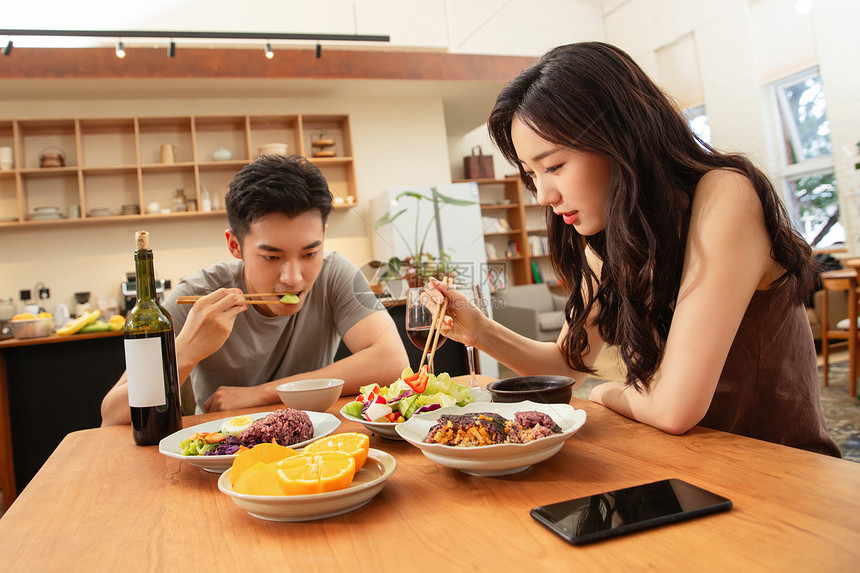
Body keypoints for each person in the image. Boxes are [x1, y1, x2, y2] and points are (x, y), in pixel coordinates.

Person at [428, 42, 839, 457]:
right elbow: (566, 363)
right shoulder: (614, 239)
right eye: (532, 174)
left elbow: (674, 408)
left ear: (620, 138)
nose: (542, 195)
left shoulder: (726, 194)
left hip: (780, 471)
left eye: (554, 166)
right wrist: (478, 330)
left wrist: (606, 392)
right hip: (693, 464)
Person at [101, 154, 408, 424]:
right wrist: (187, 351)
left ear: (323, 238)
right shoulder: (199, 294)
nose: (293, 278)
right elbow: (112, 414)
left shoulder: (336, 273)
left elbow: (393, 362)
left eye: (309, 253)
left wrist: (260, 395)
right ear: (235, 245)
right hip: (225, 450)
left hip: (312, 438)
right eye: (271, 257)